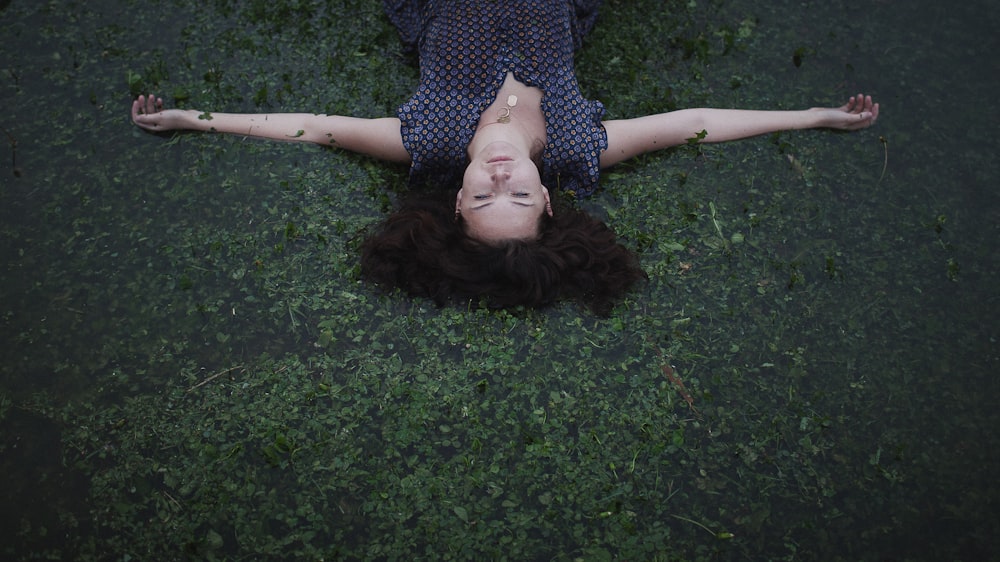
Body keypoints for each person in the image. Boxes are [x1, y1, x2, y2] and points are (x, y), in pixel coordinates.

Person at [131, 0, 879, 314]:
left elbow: (311, 126)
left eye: (484, 200)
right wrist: (815, 116)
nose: (498, 181)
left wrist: (191, 120)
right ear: (548, 200)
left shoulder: (425, 142)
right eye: (517, 198)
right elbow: (697, 123)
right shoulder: (581, 149)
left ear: (454, 202)